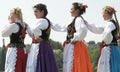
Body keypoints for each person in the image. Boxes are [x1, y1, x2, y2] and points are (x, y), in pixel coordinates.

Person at [57, 2, 93, 72]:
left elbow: (83, 30)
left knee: (73, 65)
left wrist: (75, 39)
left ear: (76, 10)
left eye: (71, 9)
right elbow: (63, 27)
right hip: (72, 45)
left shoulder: (78, 19)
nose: (70, 10)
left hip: (75, 46)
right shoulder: (75, 20)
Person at [85, 6, 120, 72]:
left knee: (109, 67)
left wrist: (107, 41)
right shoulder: (109, 23)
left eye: (103, 13)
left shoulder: (110, 24)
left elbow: (106, 33)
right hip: (112, 48)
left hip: (110, 49)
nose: (102, 15)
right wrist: (87, 24)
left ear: (106, 13)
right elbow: (97, 29)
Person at [26, 3, 59, 72]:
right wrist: (27, 26)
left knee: (39, 65)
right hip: (38, 46)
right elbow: (32, 34)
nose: (34, 13)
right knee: (40, 65)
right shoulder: (43, 21)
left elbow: (35, 29)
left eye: (36, 11)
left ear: (42, 12)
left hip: (41, 47)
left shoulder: (43, 21)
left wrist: (38, 35)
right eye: (34, 12)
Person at [1, 7, 33, 72]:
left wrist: (9, 22)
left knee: (13, 69)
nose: (9, 16)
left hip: (14, 51)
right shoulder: (25, 25)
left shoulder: (13, 25)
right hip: (23, 51)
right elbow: (32, 35)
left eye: (10, 14)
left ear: (14, 15)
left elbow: (3, 34)